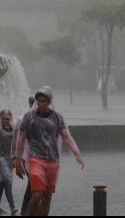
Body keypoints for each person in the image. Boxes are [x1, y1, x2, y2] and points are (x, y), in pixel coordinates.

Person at [14, 86, 84, 216]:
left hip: (53, 162)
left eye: (43, 101)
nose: (40, 103)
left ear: (49, 102)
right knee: (37, 195)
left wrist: (77, 153)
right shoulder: (29, 117)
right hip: (35, 160)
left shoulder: (57, 117)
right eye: (38, 100)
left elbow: (66, 136)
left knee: (47, 198)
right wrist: (18, 160)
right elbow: (21, 139)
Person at [0, 109, 17, 215]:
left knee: (2, 183)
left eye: (8, 119)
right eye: (4, 119)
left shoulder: (13, 128)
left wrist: (15, 158)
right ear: (0, 118)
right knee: (8, 182)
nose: (6, 121)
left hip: (9, 159)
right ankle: (12, 207)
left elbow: (15, 144)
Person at [12, 96, 35, 215]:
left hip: (39, 157)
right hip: (26, 156)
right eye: (36, 103)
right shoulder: (22, 119)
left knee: (34, 183)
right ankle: (25, 210)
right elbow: (16, 139)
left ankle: (28, 209)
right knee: (33, 182)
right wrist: (15, 157)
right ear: (30, 104)